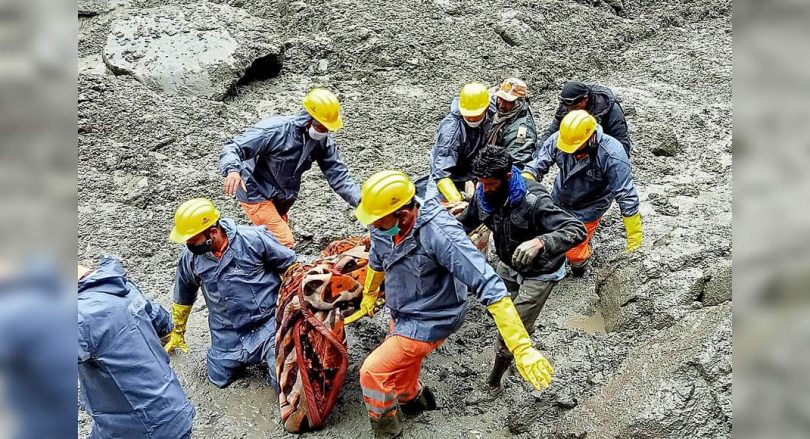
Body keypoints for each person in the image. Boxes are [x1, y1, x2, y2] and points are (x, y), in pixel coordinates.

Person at [345, 170, 555, 438]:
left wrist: (521, 346)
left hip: (434, 318)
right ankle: (416, 401)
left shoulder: (441, 234)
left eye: (378, 221)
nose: (373, 226)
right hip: (404, 310)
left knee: (373, 372)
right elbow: (377, 257)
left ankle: (388, 431)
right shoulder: (383, 226)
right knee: (401, 369)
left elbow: (489, 284)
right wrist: (370, 294)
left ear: (404, 214)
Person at [457, 145, 586, 393]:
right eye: (481, 182)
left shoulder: (534, 200)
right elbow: (466, 222)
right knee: (503, 312)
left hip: (541, 272)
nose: (485, 188)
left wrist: (541, 242)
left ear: (506, 177)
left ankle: (493, 383)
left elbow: (576, 230)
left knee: (511, 330)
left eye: (490, 183)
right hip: (508, 263)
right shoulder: (484, 195)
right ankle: (525, 328)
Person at [163, 198, 296, 389]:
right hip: (226, 334)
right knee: (218, 379)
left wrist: (295, 308)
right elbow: (183, 292)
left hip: (268, 325)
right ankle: (236, 359)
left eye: (193, 240)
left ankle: (271, 358)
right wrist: (178, 330)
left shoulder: (253, 239)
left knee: (285, 381)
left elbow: (290, 265)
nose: (189, 245)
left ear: (213, 232)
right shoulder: (191, 257)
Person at [219, 88, 361, 248]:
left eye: (328, 128)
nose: (325, 132)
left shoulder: (322, 142)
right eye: (322, 127)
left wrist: (360, 201)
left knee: (271, 236)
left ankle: (255, 257)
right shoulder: (274, 131)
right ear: (308, 119)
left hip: (282, 196)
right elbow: (233, 147)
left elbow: (338, 174)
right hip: (254, 191)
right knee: (284, 242)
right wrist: (232, 170)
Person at [78, 256, 195, 439]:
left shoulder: (80, 316)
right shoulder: (118, 285)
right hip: (173, 409)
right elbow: (163, 323)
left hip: (137, 426)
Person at [525, 110, 642, 276]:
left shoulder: (612, 154)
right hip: (560, 198)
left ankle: (580, 265)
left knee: (574, 251)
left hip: (590, 207)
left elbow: (626, 196)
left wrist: (634, 241)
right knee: (548, 236)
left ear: (590, 138)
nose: (570, 151)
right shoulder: (562, 139)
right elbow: (536, 167)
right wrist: (522, 188)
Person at [428, 82, 496, 203]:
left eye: (475, 115)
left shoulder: (492, 110)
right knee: (434, 209)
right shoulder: (451, 131)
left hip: (475, 170)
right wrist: (457, 201)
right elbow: (441, 172)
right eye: (467, 114)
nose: (471, 118)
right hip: (450, 176)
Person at [538, 81, 632, 156]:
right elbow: (551, 132)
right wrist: (537, 155)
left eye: (574, 108)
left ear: (585, 99)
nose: (570, 112)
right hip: (576, 151)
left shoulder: (611, 111)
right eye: (567, 109)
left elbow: (622, 146)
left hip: (603, 154)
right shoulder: (567, 106)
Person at [487, 78, 538, 170]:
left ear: (520, 102)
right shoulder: (504, 114)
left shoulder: (522, 130)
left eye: (508, 102)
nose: (501, 105)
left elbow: (517, 163)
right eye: (500, 99)